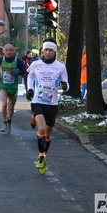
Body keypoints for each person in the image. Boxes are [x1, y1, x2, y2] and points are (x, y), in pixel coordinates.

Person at [26, 37, 69, 175]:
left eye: (51, 50)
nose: (48, 52)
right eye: (46, 50)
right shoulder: (36, 64)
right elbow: (30, 76)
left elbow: (66, 84)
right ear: (42, 51)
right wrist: (30, 89)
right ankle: (41, 155)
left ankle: (44, 154)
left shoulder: (61, 67)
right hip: (38, 101)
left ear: (54, 52)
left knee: (49, 133)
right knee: (42, 129)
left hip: (52, 103)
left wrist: (64, 86)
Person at [0, 44, 25, 134]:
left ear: (13, 51)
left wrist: (17, 72)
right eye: (7, 50)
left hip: (13, 86)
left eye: (10, 50)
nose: (8, 52)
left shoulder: (17, 60)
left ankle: (9, 121)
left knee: (11, 107)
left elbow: (23, 70)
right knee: (4, 104)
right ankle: (4, 122)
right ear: (4, 51)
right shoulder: (1, 60)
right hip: (3, 86)